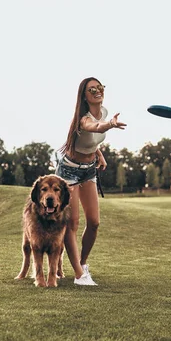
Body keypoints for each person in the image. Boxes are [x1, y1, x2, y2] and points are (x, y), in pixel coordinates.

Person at [56, 77, 126, 286]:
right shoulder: (83, 118)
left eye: (100, 87)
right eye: (91, 89)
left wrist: (99, 154)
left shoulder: (103, 111)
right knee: (73, 223)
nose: (97, 91)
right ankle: (79, 275)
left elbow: (92, 141)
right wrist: (110, 124)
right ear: (84, 97)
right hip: (69, 171)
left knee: (94, 223)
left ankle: (82, 264)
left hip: (88, 171)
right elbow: (94, 128)